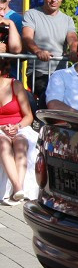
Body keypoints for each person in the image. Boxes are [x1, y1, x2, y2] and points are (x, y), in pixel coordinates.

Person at [21, 0, 78, 107]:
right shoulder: (32, 14)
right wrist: (38, 51)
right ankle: (41, 121)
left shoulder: (67, 19)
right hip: (39, 73)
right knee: (49, 94)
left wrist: (74, 51)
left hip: (61, 73)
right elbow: (27, 37)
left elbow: (73, 39)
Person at [0, 61, 33, 204]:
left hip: (19, 125)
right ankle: (17, 186)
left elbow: (29, 116)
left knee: (20, 143)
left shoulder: (15, 85)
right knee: (3, 143)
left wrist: (17, 126)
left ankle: (17, 189)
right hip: (1, 128)